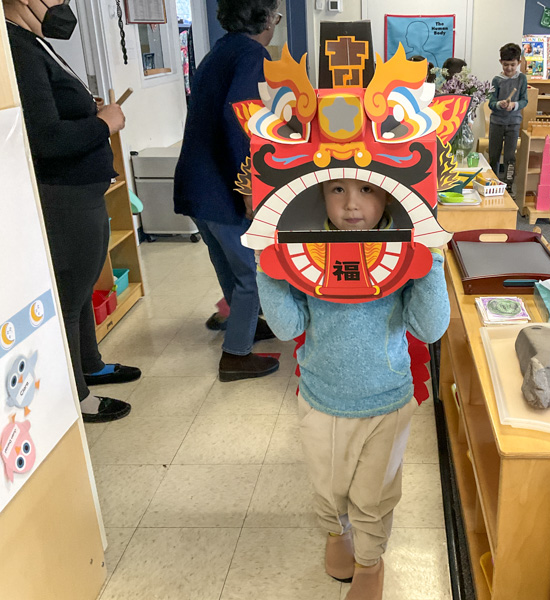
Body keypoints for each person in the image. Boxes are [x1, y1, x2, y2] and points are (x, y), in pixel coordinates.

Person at [257, 179, 450, 600]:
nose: (351, 205)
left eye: (366, 189)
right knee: (328, 485)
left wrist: (431, 261)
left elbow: (429, 328)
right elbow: (288, 327)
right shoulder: (305, 249)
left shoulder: (405, 250)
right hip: (321, 397)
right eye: (337, 190)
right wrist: (268, 267)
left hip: (386, 398)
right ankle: (334, 531)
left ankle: (370, 561)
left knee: (374, 494)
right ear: (319, 193)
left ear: (389, 193)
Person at [5, 0, 138, 422]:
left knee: (83, 291)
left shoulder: (33, 42)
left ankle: (90, 365)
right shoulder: (16, 50)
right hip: (64, 197)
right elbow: (46, 139)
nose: (63, 4)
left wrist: (92, 113)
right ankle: (76, 398)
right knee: (68, 297)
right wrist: (104, 123)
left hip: (84, 192)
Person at [173, 0, 282, 382]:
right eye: (276, 15)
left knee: (228, 264)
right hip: (222, 186)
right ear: (265, 18)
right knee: (250, 274)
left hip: (198, 183)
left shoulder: (219, 50)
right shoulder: (253, 55)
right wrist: (249, 187)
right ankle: (236, 355)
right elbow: (239, 122)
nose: (276, 23)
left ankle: (244, 325)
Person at [487, 43, 528, 182]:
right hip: (496, 123)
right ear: (500, 62)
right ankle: (493, 182)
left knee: (510, 156)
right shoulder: (497, 80)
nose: (509, 68)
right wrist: (500, 104)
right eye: (505, 64)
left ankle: (509, 183)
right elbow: (491, 103)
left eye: (512, 64)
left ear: (519, 63)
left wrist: (514, 105)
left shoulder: (522, 79)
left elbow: (524, 100)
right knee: (494, 155)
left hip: (513, 123)